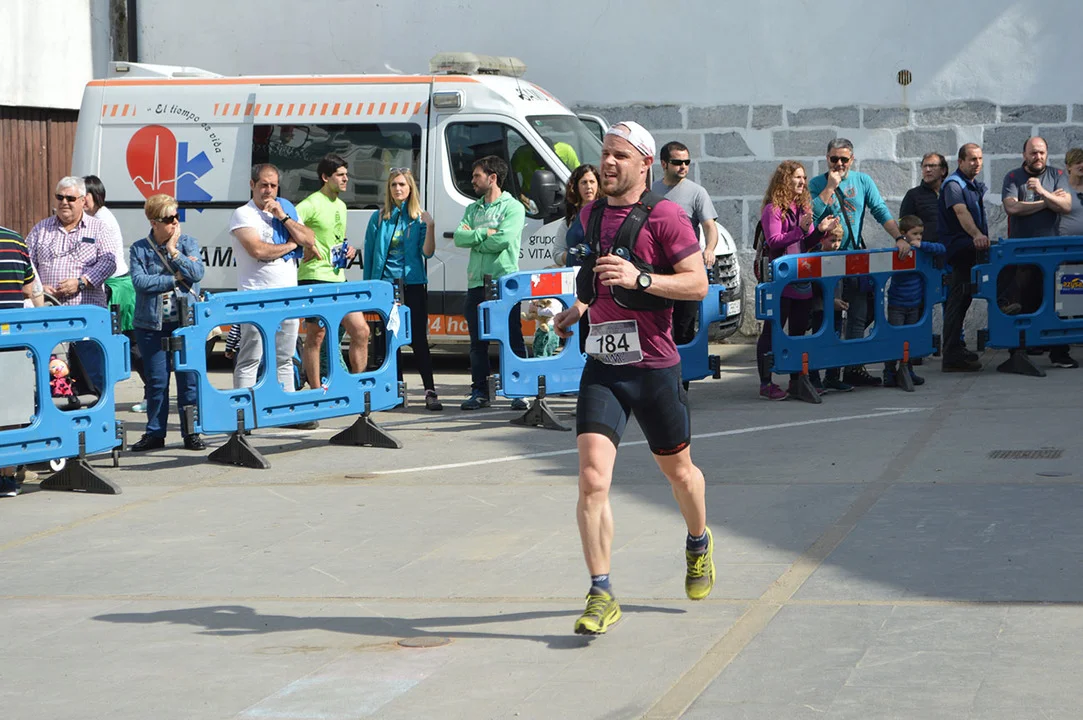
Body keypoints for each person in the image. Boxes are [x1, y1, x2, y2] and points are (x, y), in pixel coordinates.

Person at [550, 121, 713, 636]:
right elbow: (596, 280)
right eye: (605, 153)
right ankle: (601, 591)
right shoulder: (589, 214)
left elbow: (697, 284)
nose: (608, 162)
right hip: (604, 367)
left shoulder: (666, 216)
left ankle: (698, 541)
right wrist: (577, 309)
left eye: (620, 155)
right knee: (592, 478)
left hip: (655, 367)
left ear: (645, 163)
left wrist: (641, 278)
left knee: (680, 474)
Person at [809, 139, 910, 389]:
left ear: (851, 160)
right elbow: (811, 217)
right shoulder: (817, 184)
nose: (839, 164)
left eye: (844, 159)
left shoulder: (862, 181)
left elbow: (880, 210)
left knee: (860, 314)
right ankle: (830, 375)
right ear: (827, 159)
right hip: (828, 260)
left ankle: (853, 368)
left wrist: (899, 237)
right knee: (830, 318)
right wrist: (830, 188)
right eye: (834, 159)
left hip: (855, 258)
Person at [229, 164, 320, 408]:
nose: (268, 190)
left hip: (287, 296)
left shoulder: (284, 209)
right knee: (250, 357)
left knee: (285, 358)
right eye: (263, 185)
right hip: (255, 296)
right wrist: (291, 246)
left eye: (273, 186)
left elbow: (309, 239)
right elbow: (258, 251)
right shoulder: (243, 214)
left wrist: (284, 217)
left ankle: (286, 407)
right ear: (252, 185)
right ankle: (243, 411)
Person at [25, 176, 119, 395]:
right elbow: (26, 263)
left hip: (86, 318)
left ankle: (97, 409)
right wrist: (39, 288)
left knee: (94, 376)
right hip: (50, 318)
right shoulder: (41, 229)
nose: (64, 202)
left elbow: (109, 262)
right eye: (60, 197)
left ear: (83, 200)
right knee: (56, 378)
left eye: (70, 198)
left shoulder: (98, 228)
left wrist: (81, 282)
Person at [128, 194, 206, 451]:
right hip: (151, 325)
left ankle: (191, 432)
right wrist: (173, 279)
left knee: (188, 380)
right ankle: (155, 433)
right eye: (169, 218)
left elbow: (196, 273)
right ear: (154, 222)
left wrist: (174, 251)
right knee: (157, 381)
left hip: (184, 323)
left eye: (177, 216)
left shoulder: (188, 243)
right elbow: (140, 282)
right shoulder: (139, 249)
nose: (175, 222)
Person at [755, 160, 839, 400]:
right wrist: (800, 230)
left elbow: (805, 243)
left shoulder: (802, 207)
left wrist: (820, 231)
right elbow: (774, 242)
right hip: (780, 281)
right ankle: (766, 383)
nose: (803, 182)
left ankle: (796, 381)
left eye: (804, 177)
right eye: (797, 177)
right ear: (785, 180)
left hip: (801, 278)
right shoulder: (773, 209)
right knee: (773, 331)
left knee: (799, 331)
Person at [363, 168, 442, 410]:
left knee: (418, 339)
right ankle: (396, 392)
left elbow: (427, 253)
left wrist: (430, 227)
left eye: (402, 185)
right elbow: (370, 254)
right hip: (386, 287)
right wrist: (369, 290)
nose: (398, 189)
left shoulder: (418, 217)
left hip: (413, 284)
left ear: (410, 189)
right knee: (391, 340)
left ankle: (430, 391)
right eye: (394, 185)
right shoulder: (379, 218)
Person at [453, 155, 528, 410]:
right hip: (476, 283)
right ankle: (480, 392)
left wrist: (476, 242)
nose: (473, 180)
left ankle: (519, 391)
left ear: (492, 178)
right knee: (478, 344)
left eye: (477, 176)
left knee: (512, 339)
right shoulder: (472, 209)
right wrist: (485, 233)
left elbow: (504, 239)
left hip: (503, 282)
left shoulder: (513, 207)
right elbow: (459, 238)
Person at [296, 154, 372, 388]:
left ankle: (358, 386)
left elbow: (335, 239)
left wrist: (348, 249)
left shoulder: (341, 205)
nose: (345, 179)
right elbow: (285, 225)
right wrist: (303, 247)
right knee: (316, 336)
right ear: (325, 177)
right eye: (340, 175)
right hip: (315, 277)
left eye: (346, 175)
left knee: (361, 331)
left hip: (338, 277)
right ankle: (316, 390)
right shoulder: (311, 203)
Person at [1002, 137, 1076, 368]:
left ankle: (1059, 353)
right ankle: (1020, 351)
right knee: (1023, 300)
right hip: (1022, 251)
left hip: (1052, 250)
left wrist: (1043, 191)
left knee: (1057, 301)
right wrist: (1048, 202)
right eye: (1033, 152)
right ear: (1024, 154)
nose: (1038, 157)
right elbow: (1012, 207)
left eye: (1042, 152)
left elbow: (1066, 206)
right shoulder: (1013, 177)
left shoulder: (1058, 174)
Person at [84, 174, 147, 411]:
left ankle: (153, 392)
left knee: (130, 344)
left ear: (95, 195)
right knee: (126, 343)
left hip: (116, 288)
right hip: (113, 286)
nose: (81, 200)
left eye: (84, 195)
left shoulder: (101, 220)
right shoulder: (98, 216)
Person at [651, 141, 719, 352]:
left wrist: (709, 249)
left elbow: (710, 226)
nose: (683, 166)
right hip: (658, 269)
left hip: (687, 268)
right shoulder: (651, 191)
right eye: (677, 162)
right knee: (659, 327)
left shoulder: (697, 193)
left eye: (686, 162)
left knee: (684, 326)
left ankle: (684, 371)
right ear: (664, 164)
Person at [0, 225, 43, 497]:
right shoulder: (14, 239)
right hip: (11, 335)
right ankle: (6, 477)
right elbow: (29, 288)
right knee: (11, 410)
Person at [938, 143, 989, 372]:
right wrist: (977, 235)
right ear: (960, 162)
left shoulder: (970, 184)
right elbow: (961, 211)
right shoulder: (954, 185)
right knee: (957, 301)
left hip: (969, 250)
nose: (977, 163)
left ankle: (955, 349)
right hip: (960, 251)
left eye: (979, 159)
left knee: (963, 301)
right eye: (972, 159)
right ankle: (951, 354)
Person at [882, 215, 945, 386]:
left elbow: (941, 249)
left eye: (920, 234)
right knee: (895, 338)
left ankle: (908, 370)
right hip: (897, 305)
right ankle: (889, 371)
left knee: (910, 339)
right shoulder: (898, 251)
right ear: (903, 233)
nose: (918, 237)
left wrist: (922, 245)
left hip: (914, 304)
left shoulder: (921, 249)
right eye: (914, 234)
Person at [555, 164, 602, 267]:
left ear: (598, 185)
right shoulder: (570, 219)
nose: (588, 187)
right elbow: (557, 253)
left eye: (592, 182)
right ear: (576, 187)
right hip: (576, 273)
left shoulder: (607, 213)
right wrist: (573, 256)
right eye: (584, 182)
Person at [900, 153, 949, 246]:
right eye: (924, 166)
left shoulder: (952, 193)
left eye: (932, 166)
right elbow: (904, 224)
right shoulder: (913, 195)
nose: (927, 169)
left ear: (943, 170)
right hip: (924, 250)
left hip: (951, 249)